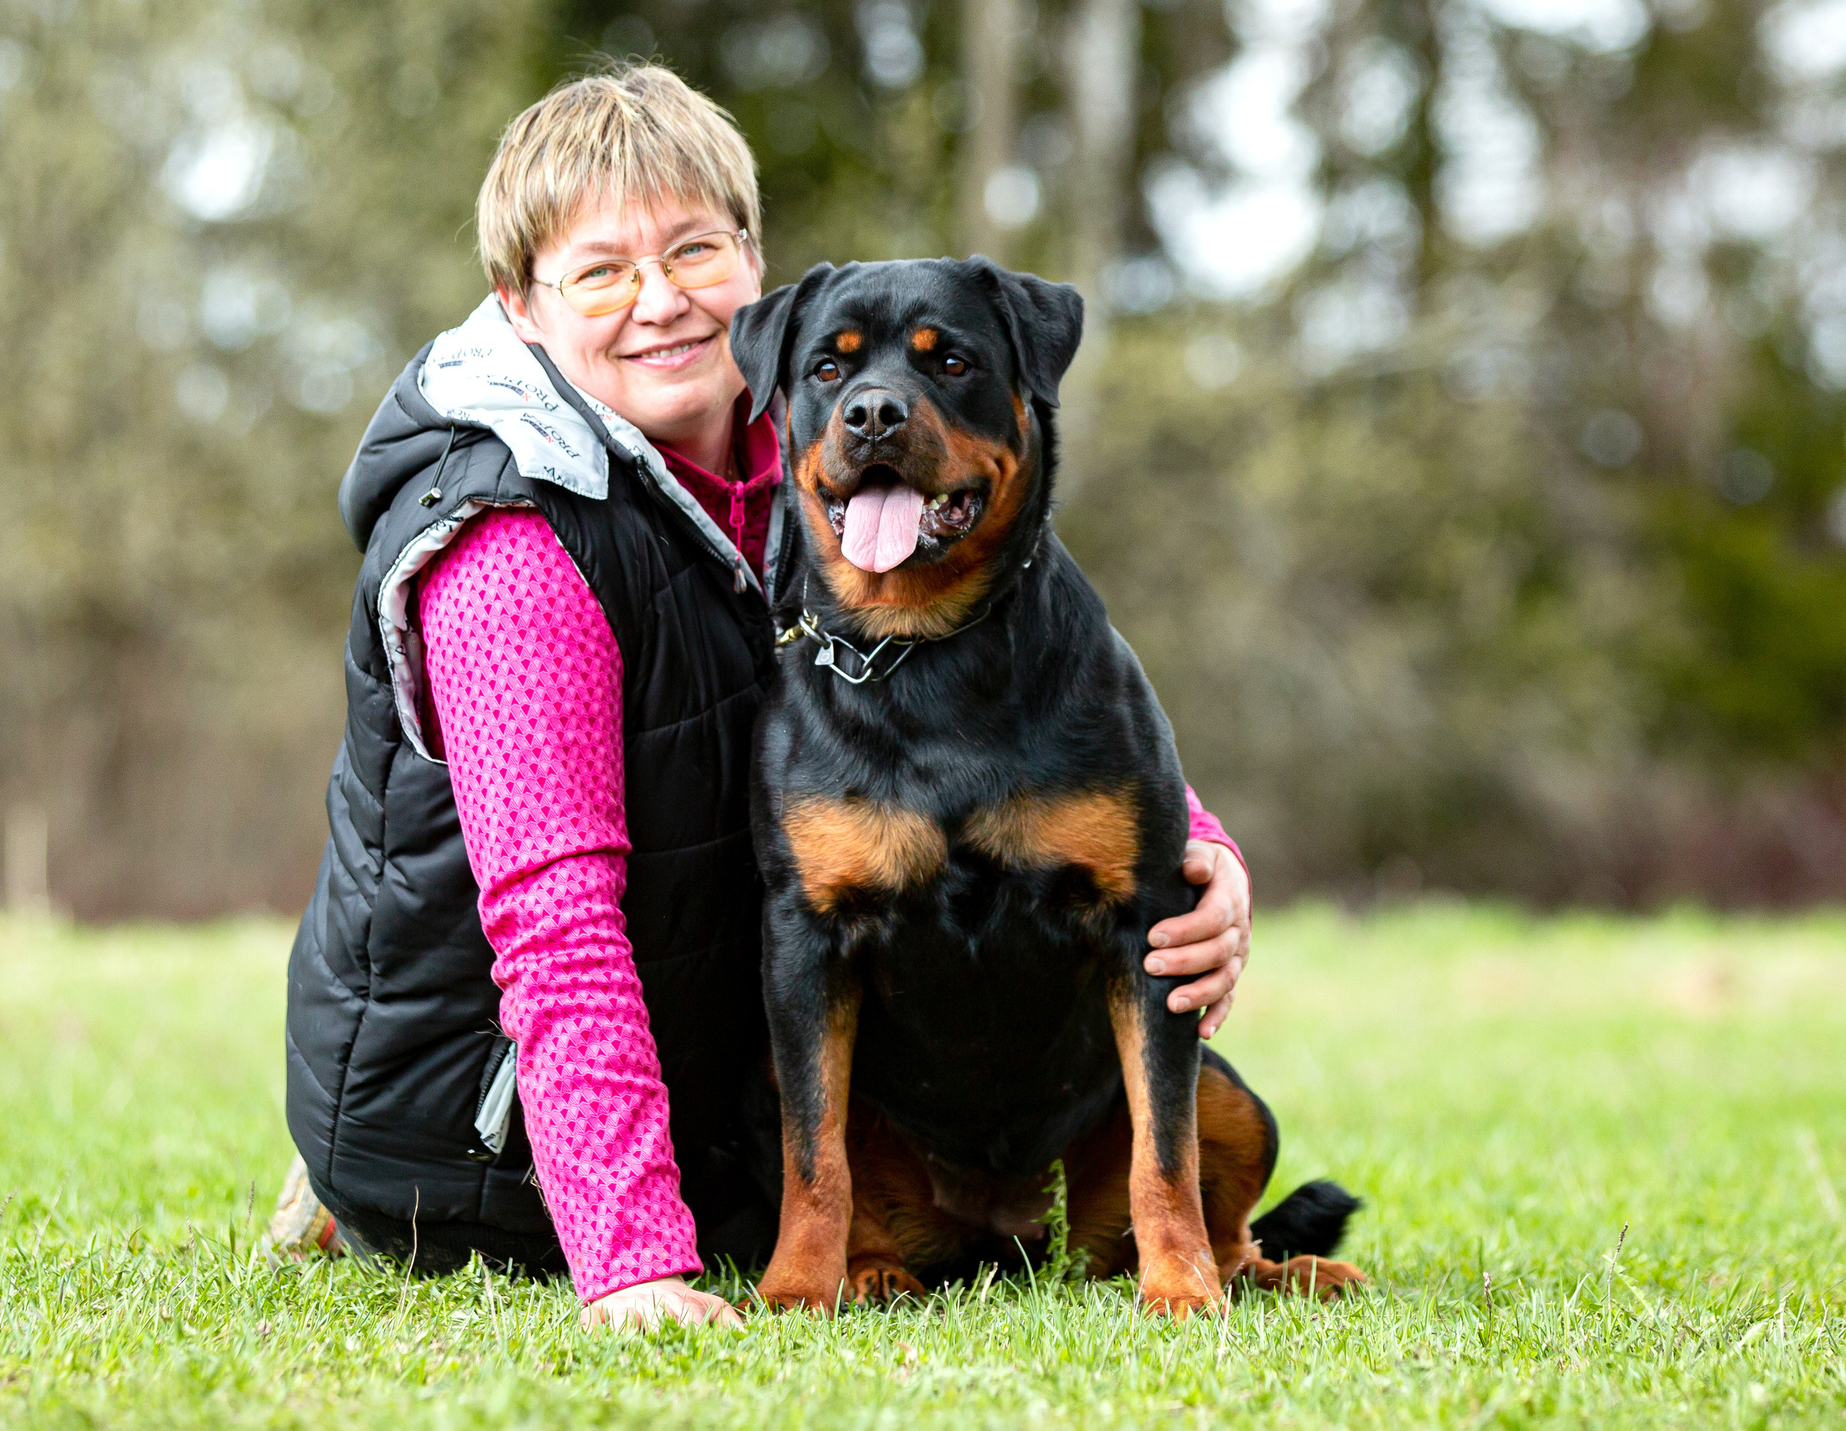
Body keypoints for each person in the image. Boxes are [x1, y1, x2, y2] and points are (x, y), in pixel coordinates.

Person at [273, 64, 1254, 1331]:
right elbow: (555, 931)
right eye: (600, 272)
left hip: (715, 1087)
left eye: (694, 249)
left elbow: (1038, 686)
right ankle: (366, 1185)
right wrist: (633, 1267)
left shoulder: (818, 476)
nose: (660, 300)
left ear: (753, 262)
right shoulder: (506, 550)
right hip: (491, 1131)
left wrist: (1200, 851)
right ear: (519, 308)